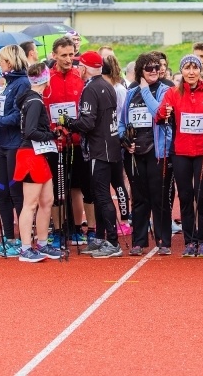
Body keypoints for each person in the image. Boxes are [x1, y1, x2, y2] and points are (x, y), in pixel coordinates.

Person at [156, 55, 203, 257]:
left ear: (200, 70)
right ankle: (190, 240)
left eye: (195, 68)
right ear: (182, 71)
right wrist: (164, 113)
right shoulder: (173, 93)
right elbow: (159, 117)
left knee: (202, 195)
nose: (191, 72)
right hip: (181, 151)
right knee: (185, 196)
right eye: (187, 68)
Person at [62, 51, 124, 258]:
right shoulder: (107, 85)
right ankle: (100, 237)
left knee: (102, 196)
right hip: (110, 146)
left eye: (80, 65)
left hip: (100, 149)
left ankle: (112, 242)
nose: (77, 68)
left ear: (85, 67)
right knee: (100, 195)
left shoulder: (91, 89)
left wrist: (69, 123)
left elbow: (88, 123)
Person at [120, 52, 174, 255]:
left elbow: (158, 113)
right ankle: (139, 241)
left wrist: (145, 91)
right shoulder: (130, 92)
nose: (154, 71)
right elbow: (122, 121)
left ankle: (163, 241)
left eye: (156, 68)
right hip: (135, 153)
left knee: (159, 196)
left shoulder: (165, 90)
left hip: (158, 152)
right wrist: (124, 140)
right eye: (149, 68)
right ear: (140, 71)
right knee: (140, 198)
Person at [0, 45, 31, 257]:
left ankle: (23, 239)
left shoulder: (22, 83)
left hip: (15, 144)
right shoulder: (7, 84)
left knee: (15, 193)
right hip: (3, 144)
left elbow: (18, 116)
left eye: (1, 61)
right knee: (0, 191)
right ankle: (8, 238)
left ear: (10, 62)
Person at [42, 37, 89, 247]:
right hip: (54, 142)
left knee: (76, 187)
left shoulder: (80, 75)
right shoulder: (46, 79)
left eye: (71, 54)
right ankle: (59, 230)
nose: (69, 59)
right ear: (54, 56)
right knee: (55, 189)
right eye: (64, 55)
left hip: (77, 141)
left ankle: (78, 229)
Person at [15, 62, 63, 262]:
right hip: (31, 154)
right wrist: (51, 134)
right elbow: (30, 131)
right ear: (46, 78)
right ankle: (26, 247)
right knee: (31, 203)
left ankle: (42, 243)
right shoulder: (34, 101)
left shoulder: (33, 99)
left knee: (47, 201)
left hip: (38, 153)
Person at [103, 54, 132, 237]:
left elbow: (122, 114)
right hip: (106, 140)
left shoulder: (119, 89)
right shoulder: (106, 87)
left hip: (116, 140)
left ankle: (124, 219)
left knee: (119, 182)